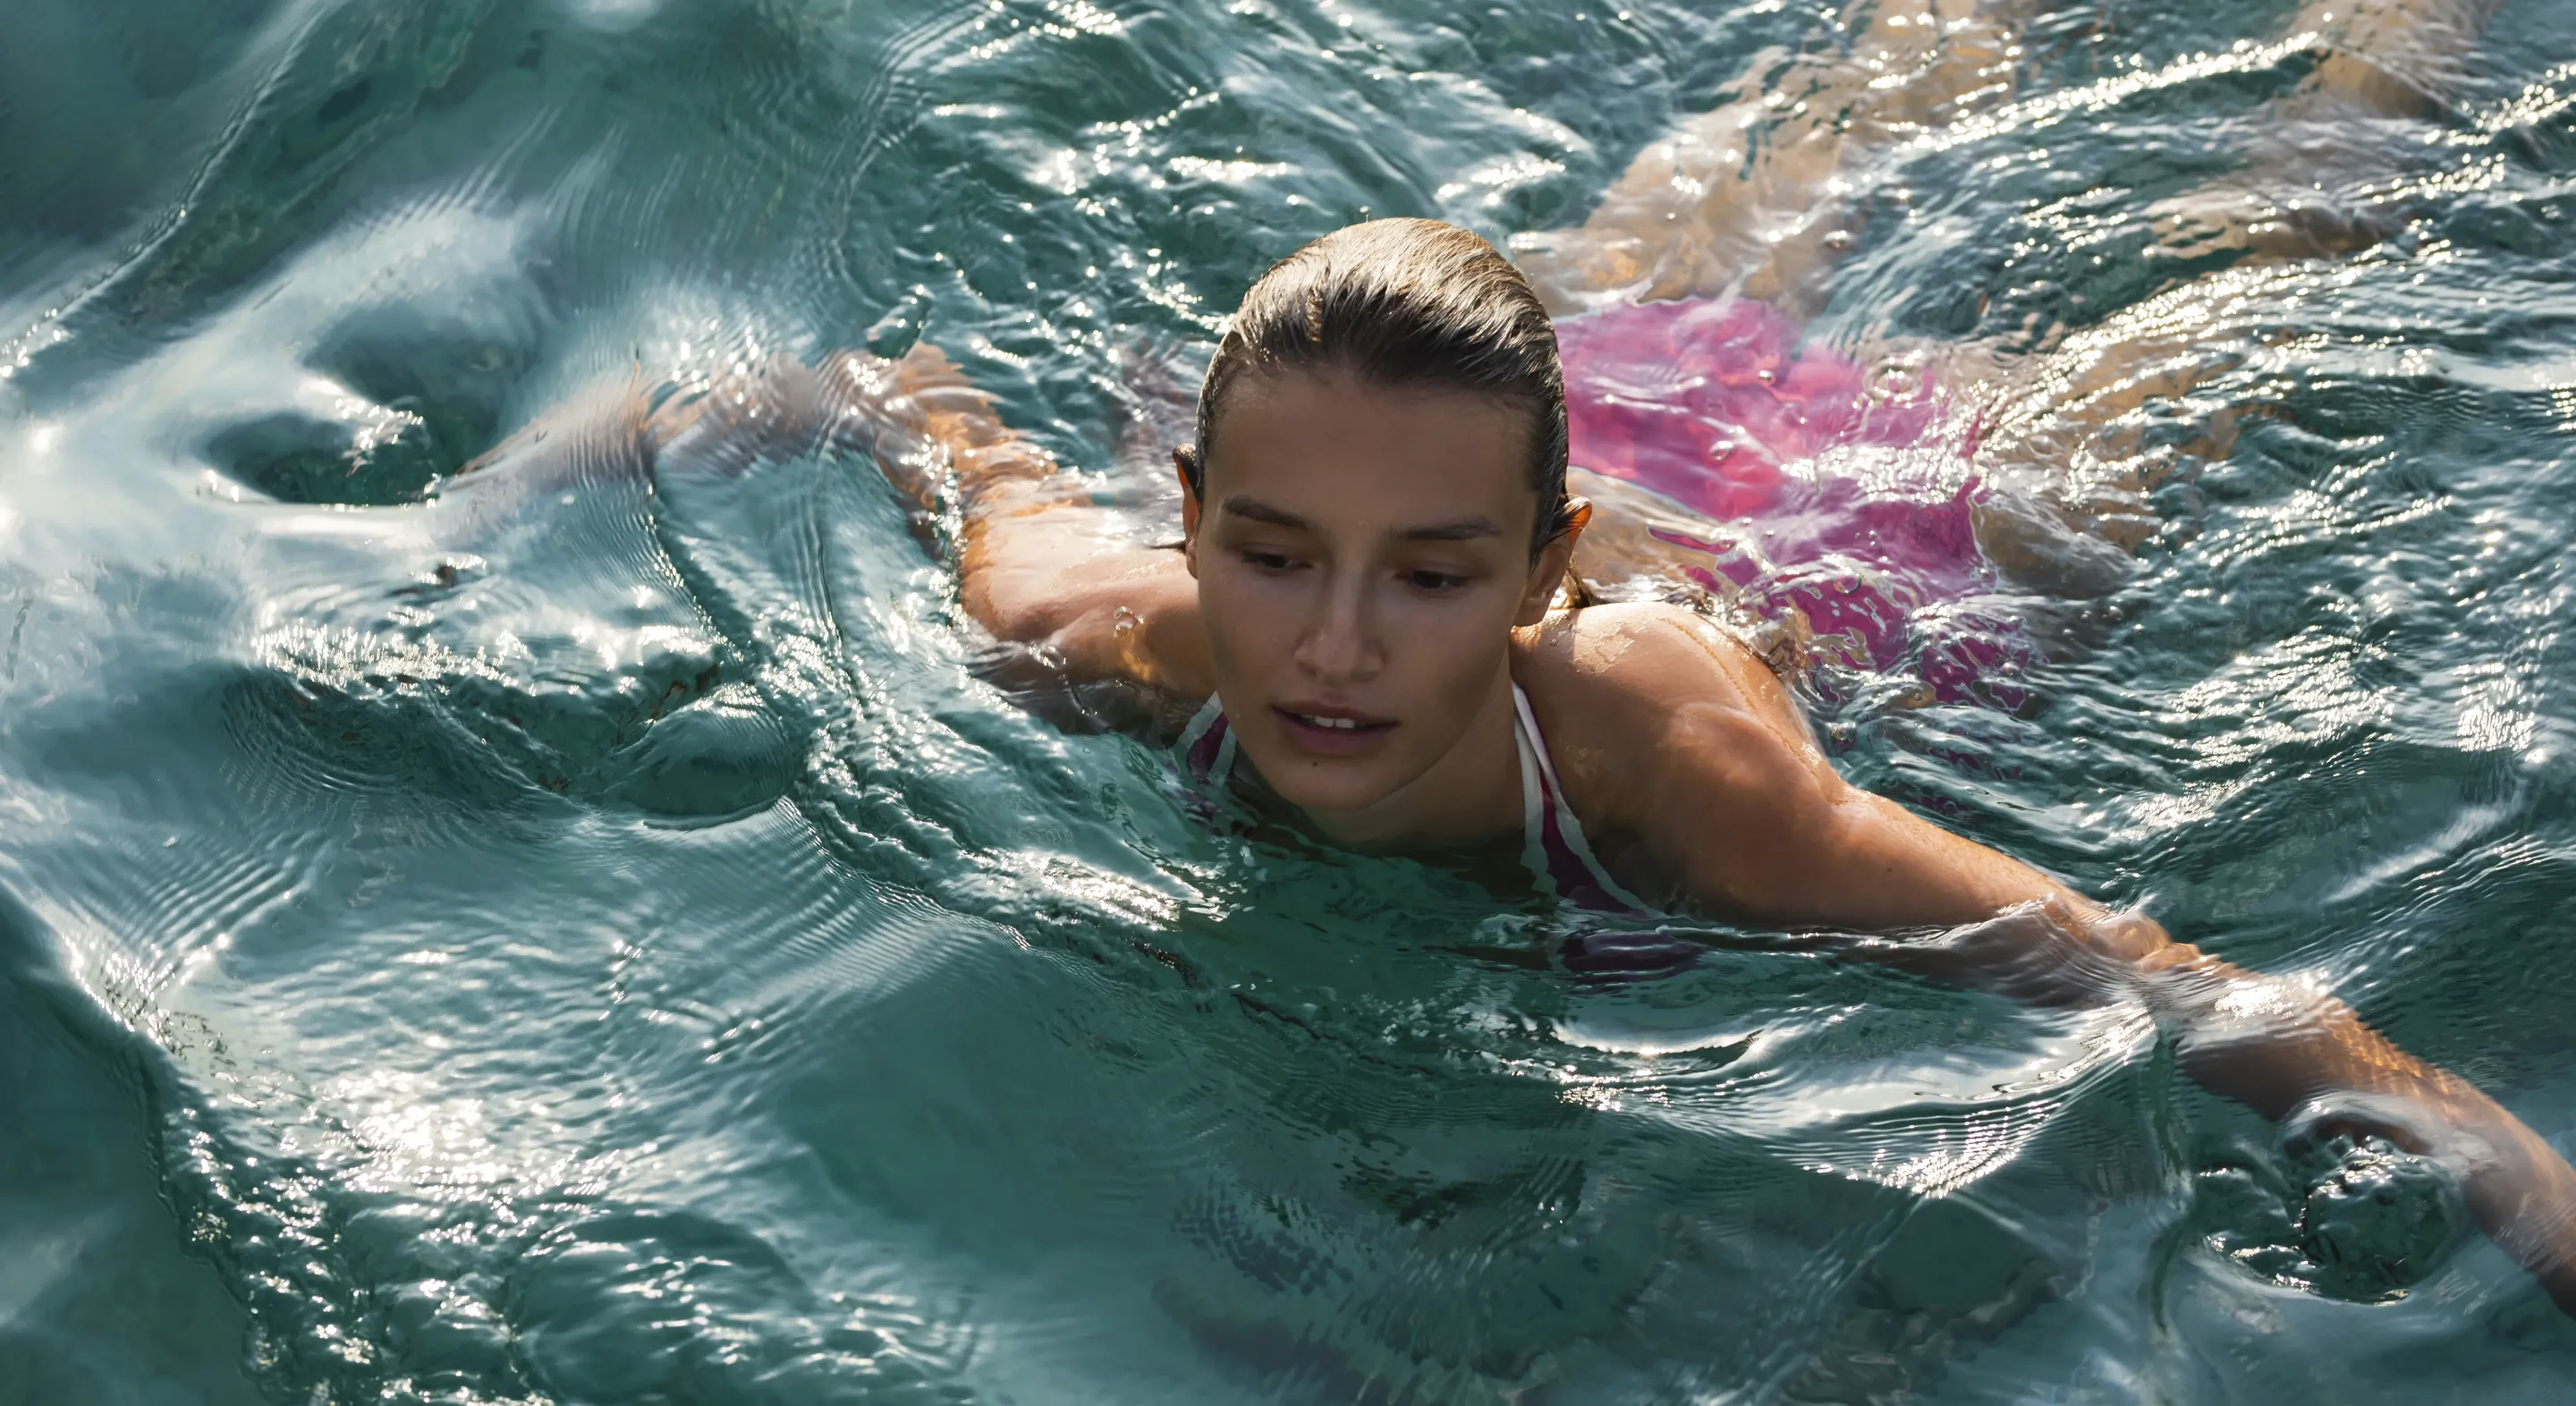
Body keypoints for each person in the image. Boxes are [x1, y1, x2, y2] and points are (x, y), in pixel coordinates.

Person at [775, 216, 2576, 1315]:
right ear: (1191, 522)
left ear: (1537, 572)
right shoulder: (1099, 642)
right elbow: (913, 410)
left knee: (2277, 270)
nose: (1330, 646)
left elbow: (2179, 988)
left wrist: (2530, 1207)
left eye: (1423, 587)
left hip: (1875, 538)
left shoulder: (1691, 786)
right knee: (1780, 164)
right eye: (1267, 558)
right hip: (1518, 423)